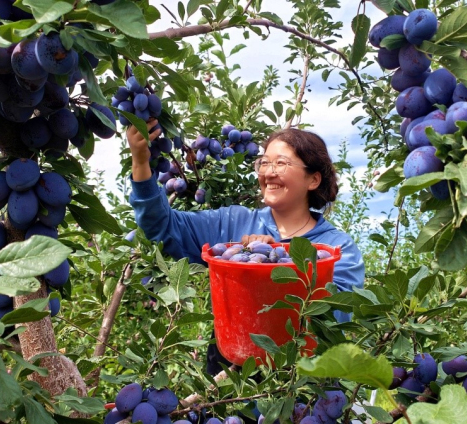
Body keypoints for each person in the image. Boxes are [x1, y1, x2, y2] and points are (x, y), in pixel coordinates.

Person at [126, 120, 366, 372]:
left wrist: (277, 260)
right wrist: (141, 163)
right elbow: (162, 227)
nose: (268, 172)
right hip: (228, 376)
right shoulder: (233, 222)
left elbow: (333, 317)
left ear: (313, 179)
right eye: (264, 162)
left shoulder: (337, 248)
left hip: (299, 387)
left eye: (281, 163)